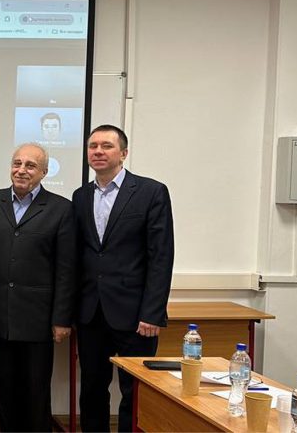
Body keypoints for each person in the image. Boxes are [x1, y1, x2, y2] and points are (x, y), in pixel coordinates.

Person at [73, 124, 174, 433]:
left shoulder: (150, 192)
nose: (98, 152)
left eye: (106, 146)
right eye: (93, 146)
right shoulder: (80, 196)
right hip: (91, 313)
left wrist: (152, 312)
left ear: (124, 153)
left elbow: (161, 256)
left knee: (135, 391)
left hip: (135, 315)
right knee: (92, 388)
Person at [0, 143, 76, 433]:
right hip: (1, 315)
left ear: (44, 172)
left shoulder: (61, 208)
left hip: (39, 318)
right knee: (6, 389)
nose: (21, 170)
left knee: (35, 391)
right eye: (16, 163)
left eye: (30, 165)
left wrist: (62, 318)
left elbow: (66, 269)